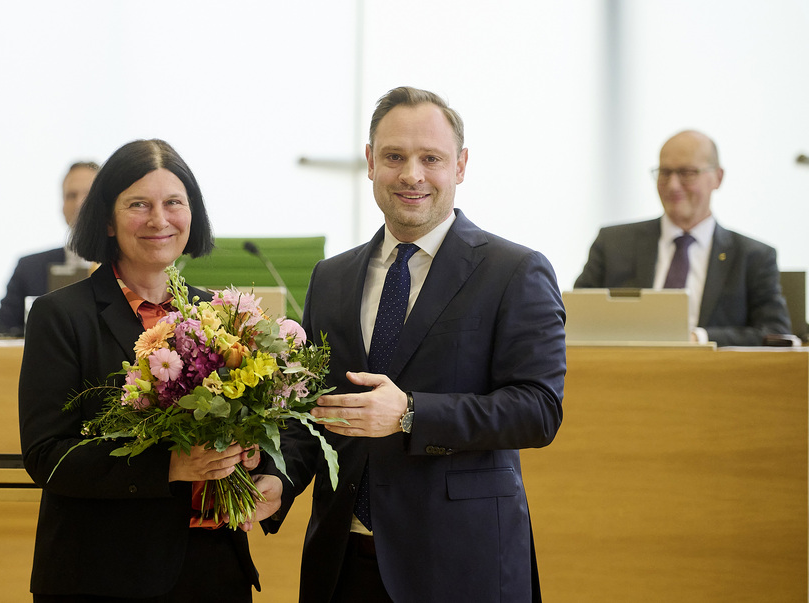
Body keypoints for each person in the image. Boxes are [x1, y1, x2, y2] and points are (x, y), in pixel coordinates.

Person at [262, 87, 566, 602]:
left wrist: (410, 414)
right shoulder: (331, 277)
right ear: (370, 162)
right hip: (342, 564)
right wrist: (277, 481)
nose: (411, 175)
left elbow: (537, 410)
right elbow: (313, 412)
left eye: (431, 158)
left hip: (459, 564)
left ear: (461, 165)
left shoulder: (514, 271)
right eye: (394, 157)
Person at [19, 139, 282, 602]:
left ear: (192, 214)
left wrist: (252, 458)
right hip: (104, 574)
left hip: (216, 570)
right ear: (107, 219)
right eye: (139, 204)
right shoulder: (60, 315)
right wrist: (171, 466)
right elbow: (47, 456)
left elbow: (261, 424)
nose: (159, 220)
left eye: (173, 203)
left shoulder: (219, 313)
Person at [574, 130, 791, 346]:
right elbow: (574, 319)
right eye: (665, 172)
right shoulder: (613, 244)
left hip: (713, 375)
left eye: (687, 173)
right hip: (623, 371)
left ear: (718, 177)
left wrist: (699, 338)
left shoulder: (753, 257)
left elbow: (775, 333)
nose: (673, 185)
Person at [0, 161, 99, 336]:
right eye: (71, 195)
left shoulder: (128, 265)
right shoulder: (29, 269)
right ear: (62, 206)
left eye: (88, 195)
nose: (79, 204)